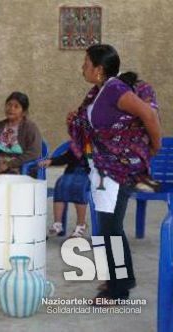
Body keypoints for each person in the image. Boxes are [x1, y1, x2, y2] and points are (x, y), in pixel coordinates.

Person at [68, 44, 161, 303]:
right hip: (104, 169)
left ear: (99, 69)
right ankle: (120, 279)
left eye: (86, 63)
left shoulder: (115, 90)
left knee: (110, 229)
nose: (82, 68)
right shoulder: (100, 91)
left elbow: (149, 115)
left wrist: (155, 147)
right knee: (109, 227)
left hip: (118, 170)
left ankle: (119, 290)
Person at [0, 92, 42, 176]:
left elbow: (34, 152)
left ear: (24, 112)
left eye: (16, 106)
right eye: (9, 105)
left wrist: (9, 164)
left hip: (16, 166)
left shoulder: (30, 128)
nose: (11, 109)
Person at [39, 149, 90, 238]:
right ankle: (58, 224)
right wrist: (51, 161)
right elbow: (66, 157)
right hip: (71, 172)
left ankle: (81, 224)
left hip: (89, 174)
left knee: (78, 186)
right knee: (61, 183)